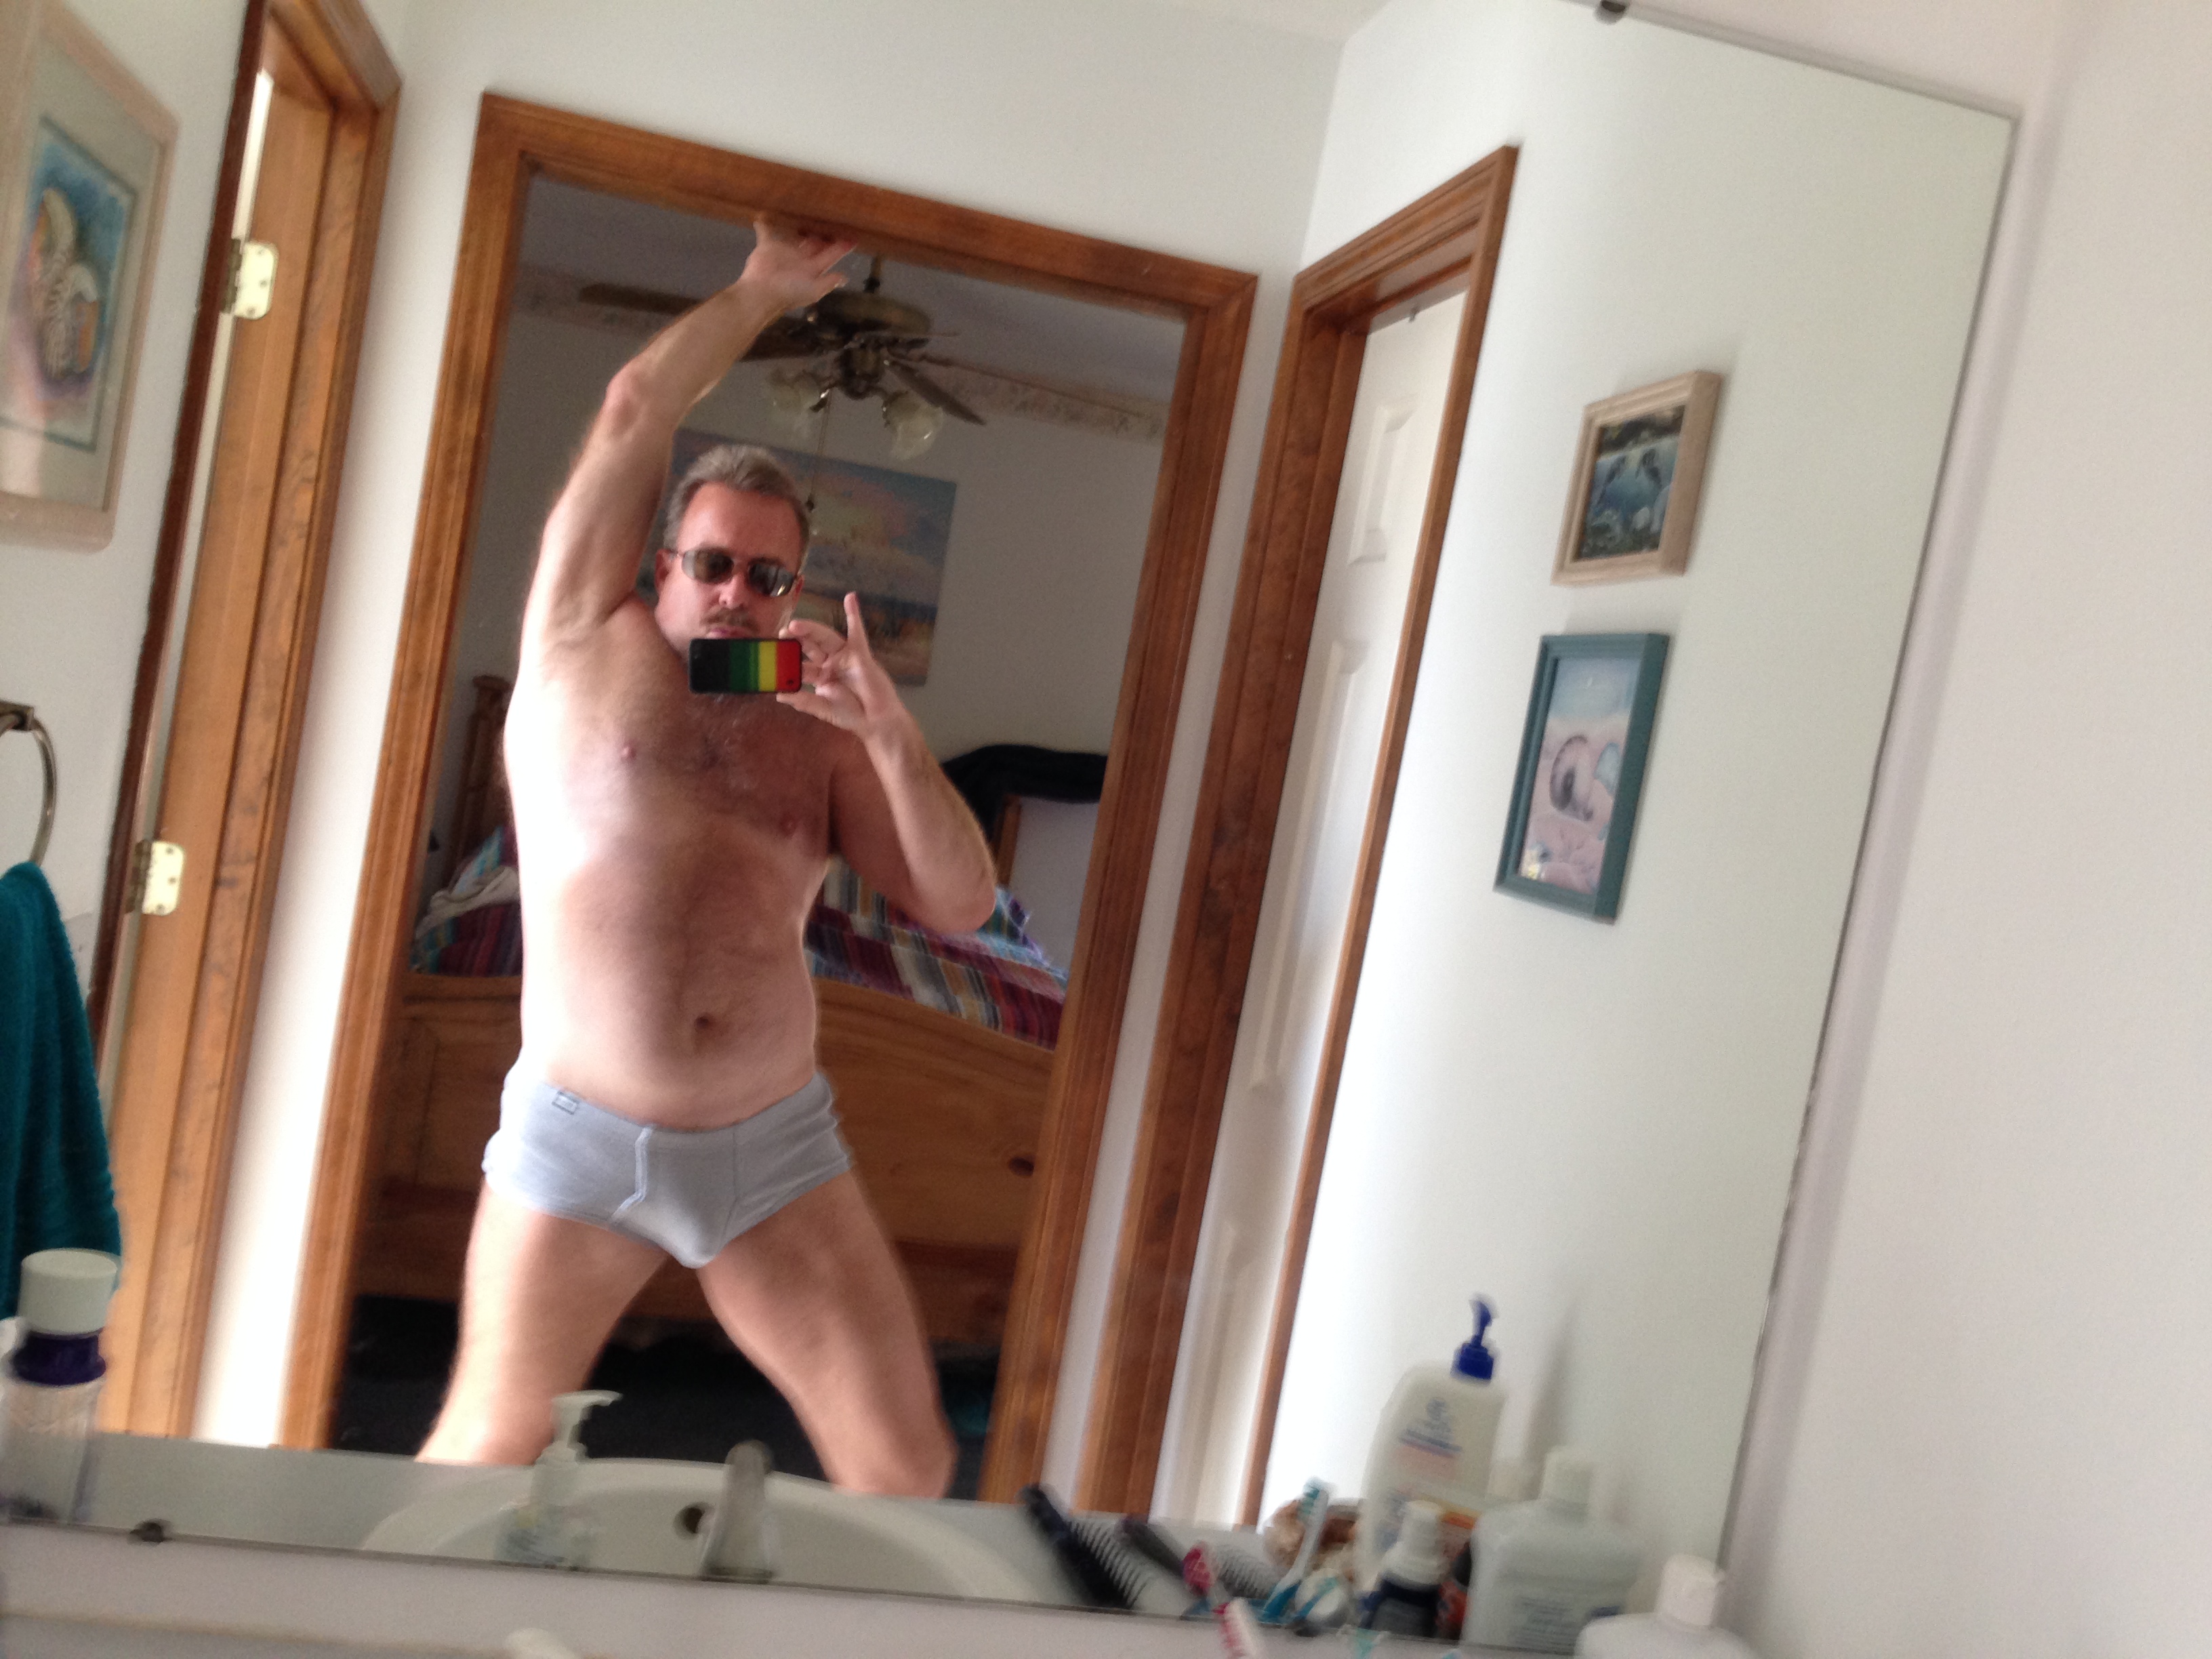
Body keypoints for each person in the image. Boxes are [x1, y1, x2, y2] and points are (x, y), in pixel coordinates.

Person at [417, 221, 998, 1496]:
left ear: (794, 589)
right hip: (578, 1140)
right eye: (714, 564)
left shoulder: (816, 712)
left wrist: (891, 736)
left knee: (904, 1464)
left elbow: (963, 905)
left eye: (768, 576)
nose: (736, 594)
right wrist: (763, 291)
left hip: (769, 1149)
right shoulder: (583, 639)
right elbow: (636, 405)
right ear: (665, 563)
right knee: (482, 1452)